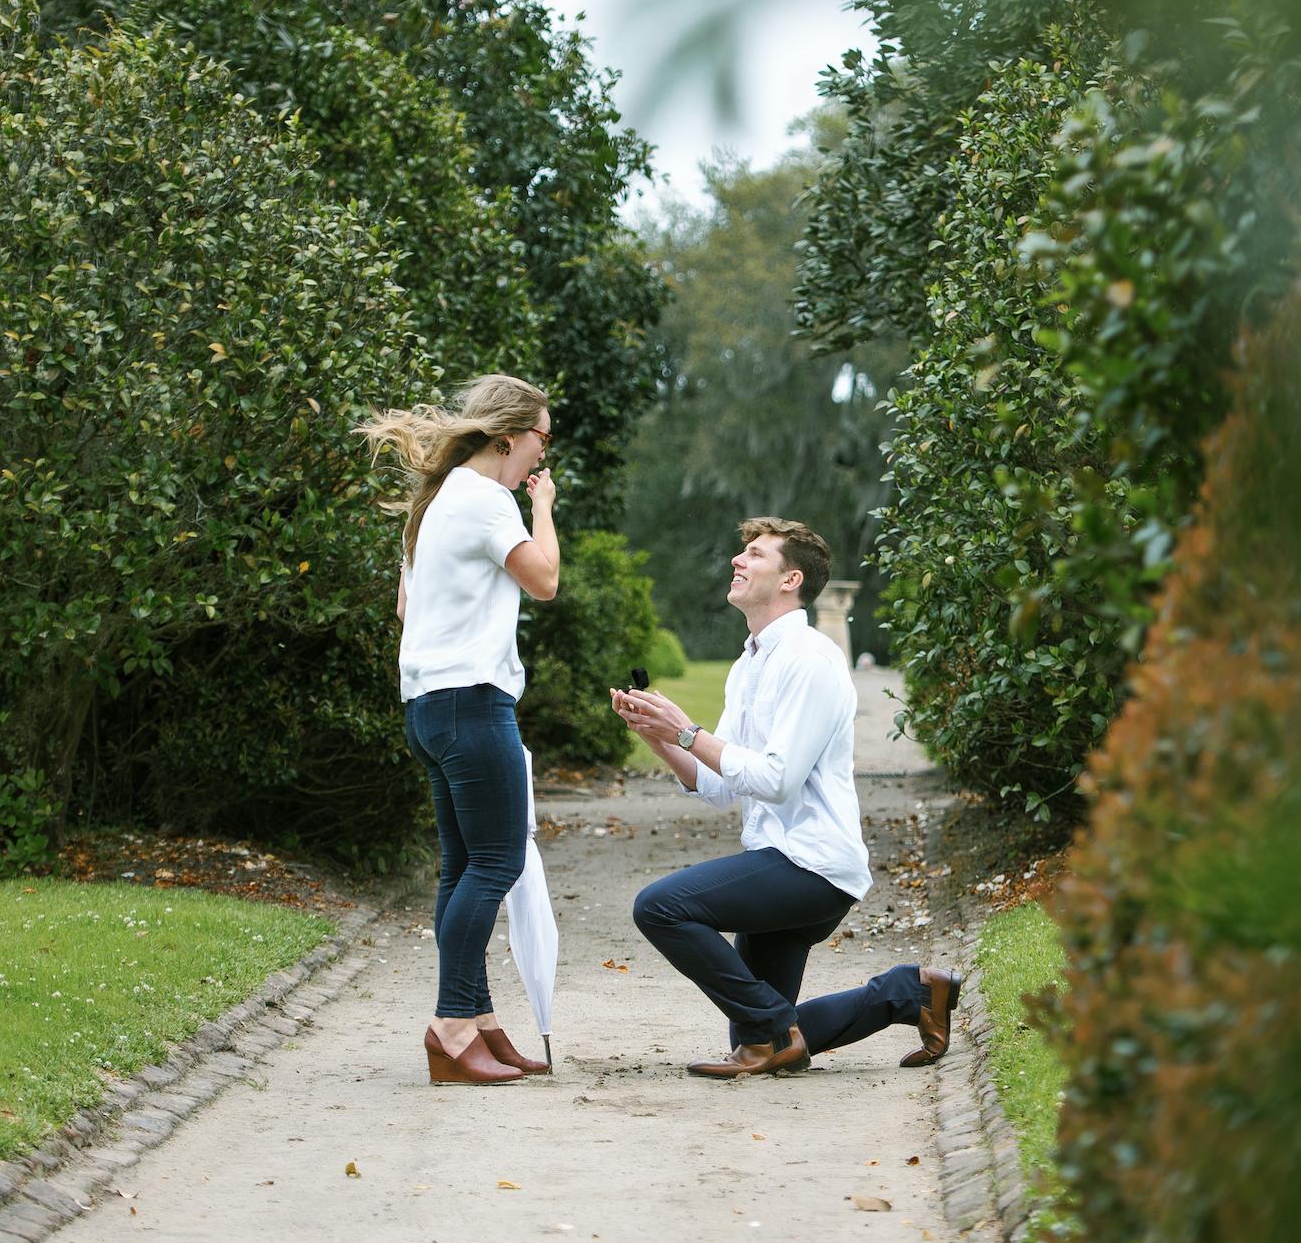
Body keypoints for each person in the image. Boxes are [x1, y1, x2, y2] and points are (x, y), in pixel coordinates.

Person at [615, 517, 960, 1078]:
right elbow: (722, 786)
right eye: (741, 551)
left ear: (790, 579)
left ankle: (774, 1030)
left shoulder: (811, 658)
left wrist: (688, 732)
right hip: (775, 856)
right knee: (762, 1038)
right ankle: (909, 992)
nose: (738, 560)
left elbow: (777, 779)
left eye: (754, 554)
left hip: (813, 865)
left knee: (660, 907)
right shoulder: (750, 662)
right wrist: (659, 738)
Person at [360, 374, 560, 1086]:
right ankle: (449, 1024)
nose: (543, 452)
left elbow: (408, 612)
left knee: (462, 866)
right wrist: (543, 509)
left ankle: (477, 1019)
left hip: (428, 706)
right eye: (541, 436)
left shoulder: (435, 504)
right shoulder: (487, 499)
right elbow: (544, 581)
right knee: (498, 862)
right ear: (510, 436)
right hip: (472, 702)